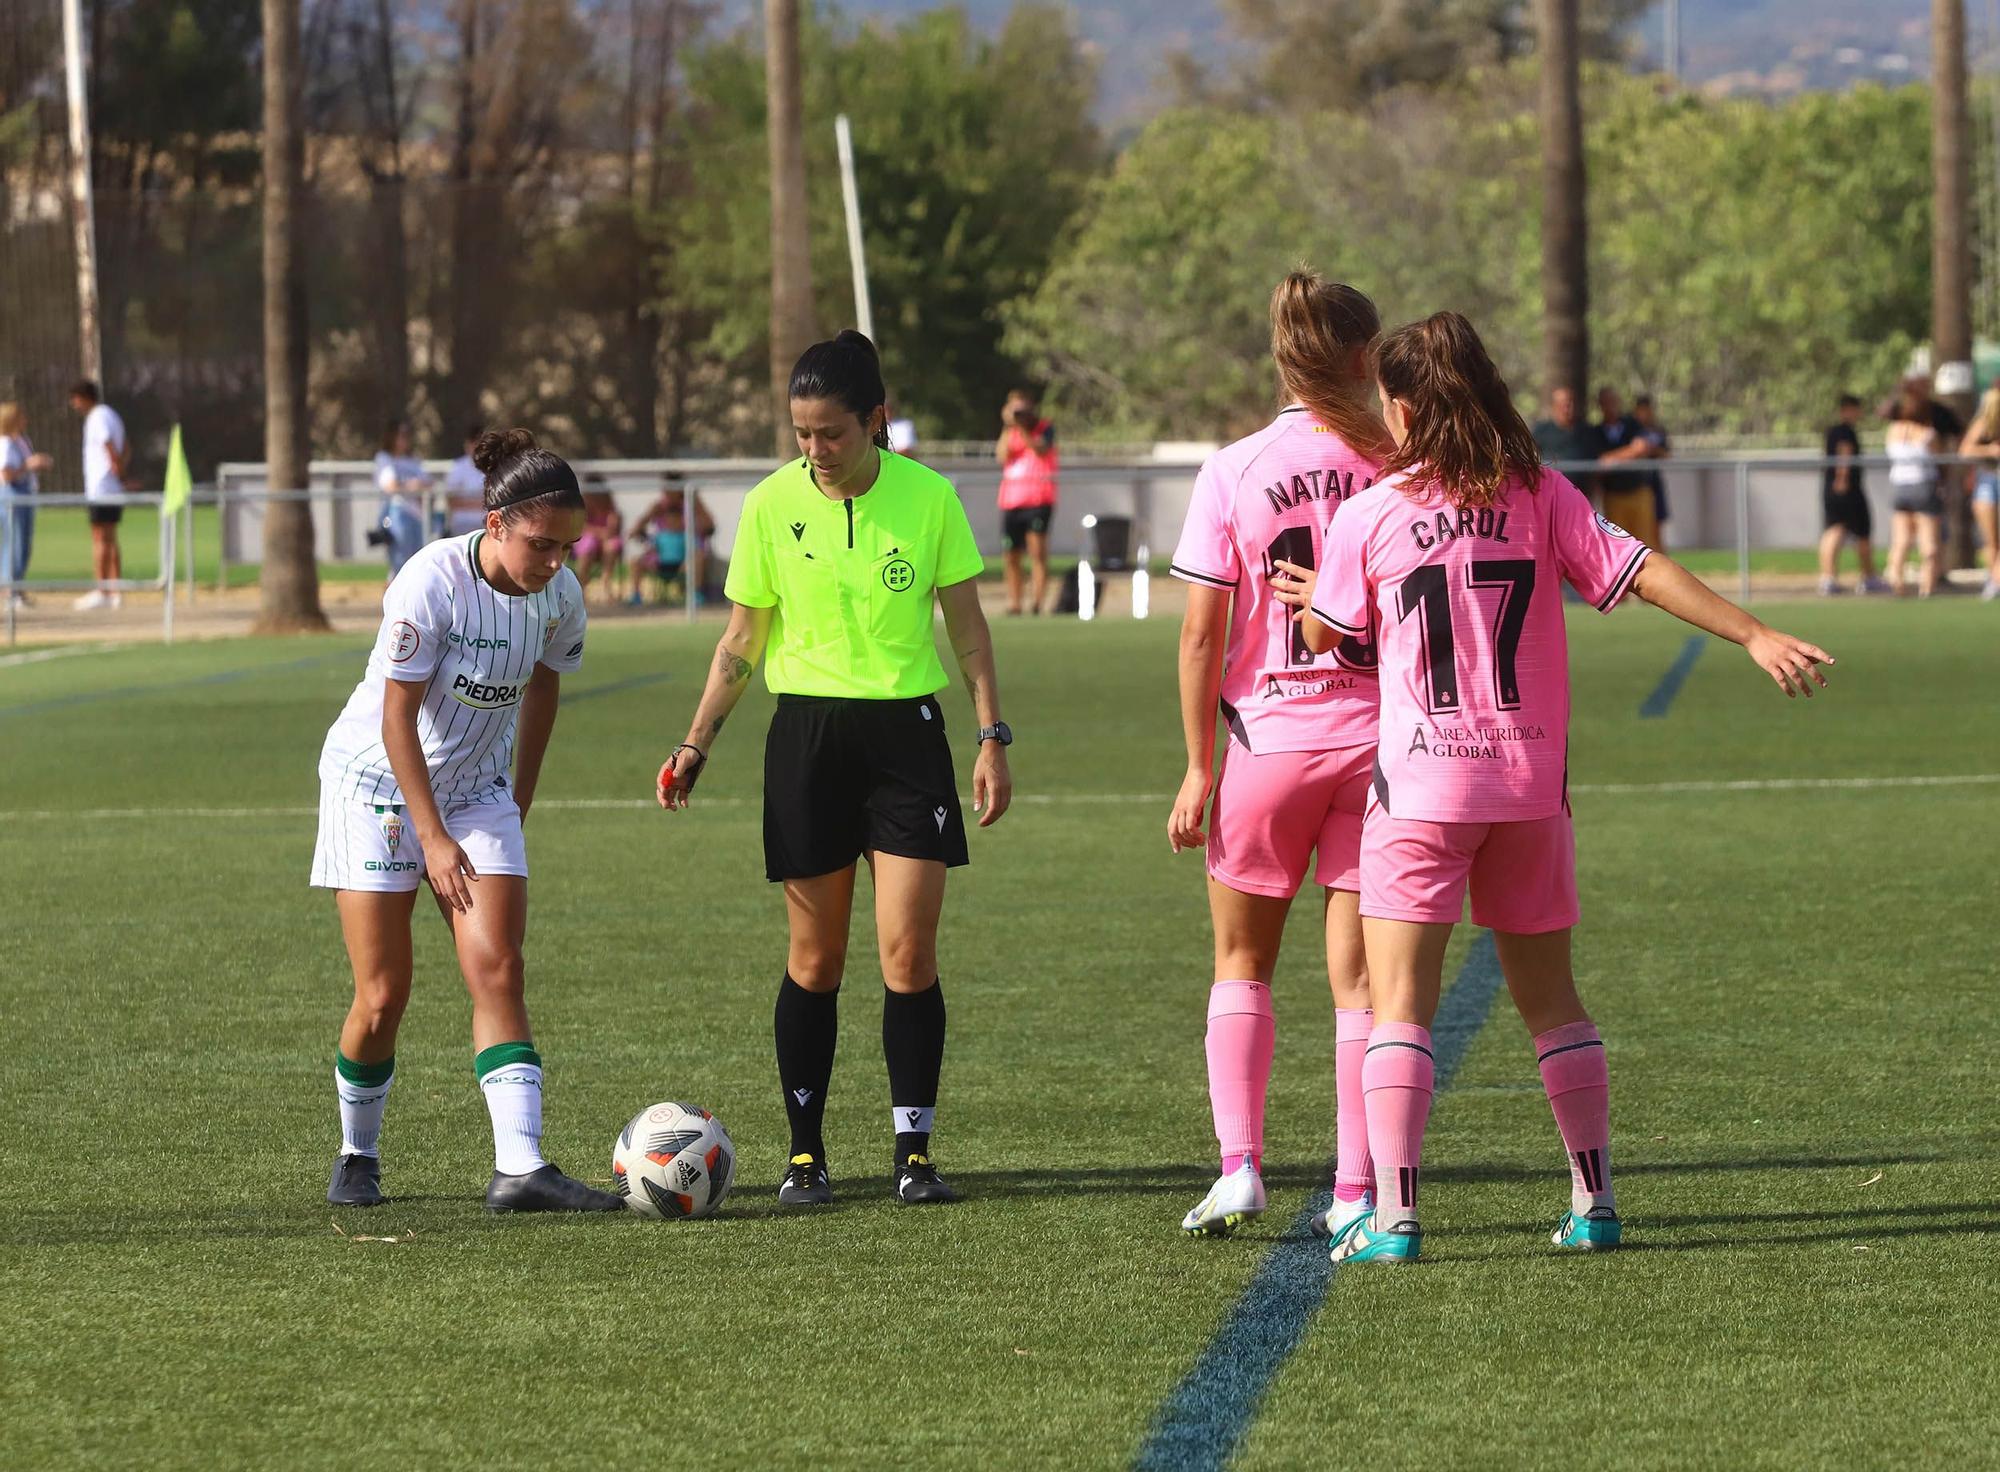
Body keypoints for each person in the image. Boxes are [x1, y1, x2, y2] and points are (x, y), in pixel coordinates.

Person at [1275, 311, 1831, 1265]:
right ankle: (1596, 1198)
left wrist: (1312, 604)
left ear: (1401, 409)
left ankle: (1396, 1217)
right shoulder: (1538, 494)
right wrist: (1753, 634)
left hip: (1419, 793)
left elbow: (1329, 634)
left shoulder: (1369, 512)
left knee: (1399, 1005)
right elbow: (1642, 572)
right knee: (1555, 1003)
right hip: (1527, 786)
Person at [656, 330, 1012, 1209]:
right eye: (802, 434)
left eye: (831, 434)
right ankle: (806, 1155)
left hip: (907, 743)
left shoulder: (929, 500)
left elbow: (967, 627)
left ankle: (914, 1153)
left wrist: (990, 733)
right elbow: (741, 638)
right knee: (814, 960)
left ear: (875, 421)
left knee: (908, 953)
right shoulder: (772, 505)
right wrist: (697, 740)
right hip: (807, 743)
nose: (814, 451)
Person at [313, 428, 620, 1214]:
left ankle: (520, 1167)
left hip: (478, 791)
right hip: (380, 786)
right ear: (495, 525)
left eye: (566, 546)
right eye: (540, 545)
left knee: (499, 967)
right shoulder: (430, 582)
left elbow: (547, 689)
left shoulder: (560, 595)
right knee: (383, 994)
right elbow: (395, 719)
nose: (554, 562)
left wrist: (518, 797)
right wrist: (434, 837)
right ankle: (359, 1152)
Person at [1165, 272, 1391, 1239]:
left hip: (1267, 741)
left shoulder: (1236, 468)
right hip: (1379, 743)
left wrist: (1198, 766)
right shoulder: (1397, 462)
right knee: (1363, 984)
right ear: (1359, 359)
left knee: (1241, 961)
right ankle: (1352, 1191)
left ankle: (1242, 1167)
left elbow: (1199, 637)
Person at [995, 388, 1058, 615]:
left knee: (1037, 553)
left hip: (1038, 499)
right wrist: (1008, 426)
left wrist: (1021, 426)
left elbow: (1040, 450)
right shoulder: (1009, 432)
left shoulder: (1045, 428)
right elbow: (1002, 455)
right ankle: (1014, 602)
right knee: (1011, 554)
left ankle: (1038, 602)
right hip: (1012, 501)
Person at [68, 380, 129, 611]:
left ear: (84, 397)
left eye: (75, 399)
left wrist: (117, 470)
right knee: (110, 538)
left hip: (102, 487)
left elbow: (109, 446)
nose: (73, 404)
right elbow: (127, 446)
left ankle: (103, 590)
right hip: (110, 486)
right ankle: (115, 591)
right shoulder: (111, 414)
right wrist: (120, 473)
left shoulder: (98, 417)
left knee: (100, 538)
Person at [1820, 393, 1886, 596]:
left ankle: (1829, 577)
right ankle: (1867, 577)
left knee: (1835, 529)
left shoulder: (1833, 431)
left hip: (1833, 489)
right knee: (1847, 530)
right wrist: (1842, 478)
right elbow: (1844, 453)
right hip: (1847, 491)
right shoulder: (1845, 432)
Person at [1884, 382, 1943, 597]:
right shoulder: (1927, 433)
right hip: (1923, 487)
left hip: (1900, 487)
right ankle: (1926, 586)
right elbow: (1938, 458)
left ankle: (1897, 581)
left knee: (1901, 541)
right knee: (1928, 542)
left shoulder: (1893, 431)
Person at [628, 475, 715, 605]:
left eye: (670, 489)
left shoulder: (692, 505)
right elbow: (635, 530)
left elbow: (710, 527)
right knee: (636, 561)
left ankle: (695, 595)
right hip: (661, 557)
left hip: (685, 557)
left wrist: (696, 506)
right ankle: (636, 596)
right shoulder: (658, 507)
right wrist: (644, 536)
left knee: (699, 558)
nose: (666, 493)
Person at [0, 401, 54, 605]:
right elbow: (6, 474)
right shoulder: (5, 443)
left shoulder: (20, 440)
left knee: (23, 544)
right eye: (21, 417)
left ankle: (17, 588)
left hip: (24, 493)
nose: (25, 420)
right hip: (12, 494)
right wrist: (29, 465)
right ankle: (9, 591)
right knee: (14, 543)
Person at [1594, 387, 1661, 551]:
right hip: (1614, 495)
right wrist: (1629, 452)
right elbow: (1599, 461)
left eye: (1613, 402)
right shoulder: (1596, 431)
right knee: (1619, 545)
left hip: (1639, 491)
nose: (1611, 406)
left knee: (1647, 543)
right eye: (1606, 403)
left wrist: (1611, 458)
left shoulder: (1632, 424)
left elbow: (1641, 447)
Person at [373, 420, 434, 578]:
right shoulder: (384, 459)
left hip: (417, 515)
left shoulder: (413, 461)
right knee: (399, 565)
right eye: (400, 436)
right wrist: (411, 486)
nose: (404, 440)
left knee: (417, 563)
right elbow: (390, 485)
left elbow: (427, 483)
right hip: (397, 514)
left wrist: (415, 486)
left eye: (407, 436)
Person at [1956, 385, 2000, 601]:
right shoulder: (1984, 424)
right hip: (1987, 480)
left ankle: (1996, 581)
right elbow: (1965, 450)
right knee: (1990, 539)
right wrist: (1990, 450)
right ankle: (1994, 582)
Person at [572, 474, 624, 605]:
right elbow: (581, 526)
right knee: (588, 544)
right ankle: (581, 588)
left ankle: (605, 585)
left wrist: (603, 531)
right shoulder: (582, 503)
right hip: (589, 542)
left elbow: (613, 527)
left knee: (612, 545)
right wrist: (599, 533)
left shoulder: (609, 504)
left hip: (605, 543)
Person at [1632, 394, 1672, 550]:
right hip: (1638, 485)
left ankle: (1661, 558)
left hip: (1654, 483)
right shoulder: (1633, 430)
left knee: (1657, 525)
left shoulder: (1658, 430)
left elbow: (1666, 454)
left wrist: (1651, 449)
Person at [444, 423, 487, 536]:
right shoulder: (458, 467)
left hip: (487, 524)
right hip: (463, 525)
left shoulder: (494, 466)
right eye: (474, 442)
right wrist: (481, 504)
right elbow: (451, 500)